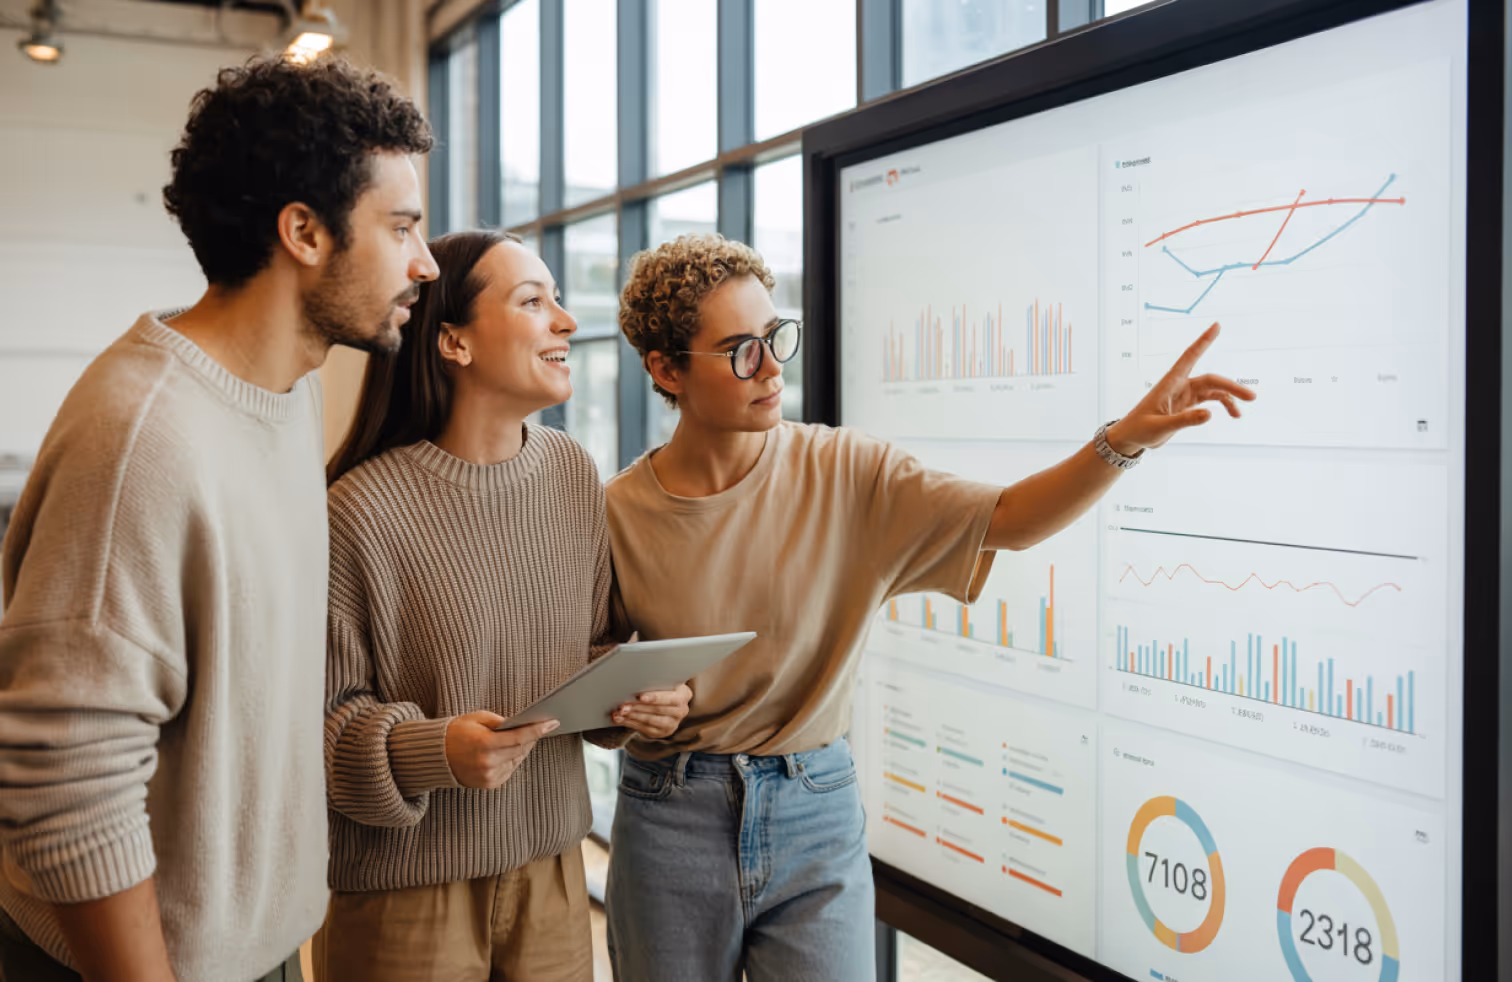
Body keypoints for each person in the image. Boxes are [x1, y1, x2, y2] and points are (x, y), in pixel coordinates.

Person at [602, 233, 1256, 982]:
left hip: (816, 808)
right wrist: (628, 704)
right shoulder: (616, 511)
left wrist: (1122, 441)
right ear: (665, 368)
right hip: (669, 815)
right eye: (742, 350)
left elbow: (1009, 518)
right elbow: (591, 681)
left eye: (777, 336)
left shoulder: (848, 473)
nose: (774, 367)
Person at [0, 57, 438, 982]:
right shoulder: (145, 439)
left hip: (250, 951)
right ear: (304, 233)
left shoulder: (278, 396)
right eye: (401, 228)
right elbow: (65, 782)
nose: (424, 263)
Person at [315, 229, 693, 982]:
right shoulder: (356, 509)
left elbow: (585, 650)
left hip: (554, 877)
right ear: (452, 342)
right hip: (406, 893)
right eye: (533, 301)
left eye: (557, 298)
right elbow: (312, 724)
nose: (565, 321)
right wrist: (433, 751)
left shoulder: (572, 474)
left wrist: (633, 697)